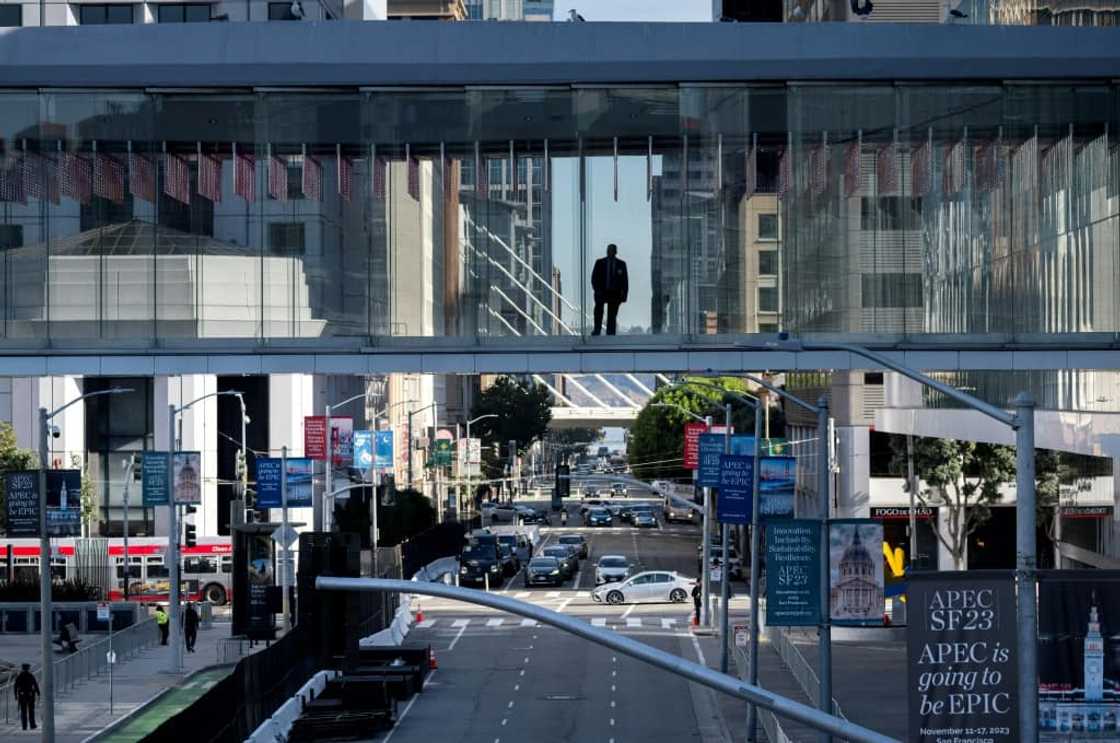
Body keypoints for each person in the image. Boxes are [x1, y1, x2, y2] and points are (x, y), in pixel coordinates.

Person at [590, 243, 628, 336]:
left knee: (612, 314)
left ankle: (610, 332)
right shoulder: (599, 263)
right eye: (609, 250)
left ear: (615, 252)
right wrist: (597, 290)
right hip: (602, 291)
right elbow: (594, 278)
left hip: (615, 293)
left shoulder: (621, 264)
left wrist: (624, 295)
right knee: (598, 311)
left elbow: (625, 281)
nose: (610, 252)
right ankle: (597, 330)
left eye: (612, 250)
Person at [14, 663, 39, 730]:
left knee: (23, 711)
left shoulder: (19, 676)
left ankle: (24, 726)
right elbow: (35, 684)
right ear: (28, 668)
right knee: (31, 710)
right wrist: (38, 692)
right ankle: (32, 725)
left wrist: (15, 695)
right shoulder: (30, 675)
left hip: (22, 695)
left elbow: (15, 686)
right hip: (30, 695)